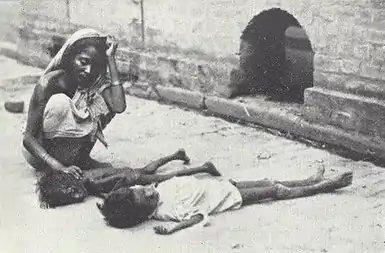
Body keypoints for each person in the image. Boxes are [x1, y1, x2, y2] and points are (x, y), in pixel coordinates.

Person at [97, 167, 353, 234]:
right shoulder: (167, 211)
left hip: (222, 186)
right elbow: (196, 217)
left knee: (269, 181)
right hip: (231, 196)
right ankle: (327, 185)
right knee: (276, 190)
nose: (149, 190)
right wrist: (173, 229)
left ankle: (309, 180)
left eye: (144, 189)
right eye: (146, 196)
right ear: (145, 211)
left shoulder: (155, 192)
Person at [22, 28, 126, 179]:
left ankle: (81, 159)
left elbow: (118, 106)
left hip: (68, 153)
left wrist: (111, 58)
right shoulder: (48, 84)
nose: (89, 70)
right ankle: (63, 164)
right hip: (40, 154)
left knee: (102, 102)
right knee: (61, 103)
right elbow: (28, 138)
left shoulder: (93, 81)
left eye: (95, 66)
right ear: (71, 57)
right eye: (83, 62)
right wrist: (57, 166)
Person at [37, 148, 221, 208]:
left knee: (166, 177)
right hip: (127, 172)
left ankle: (203, 167)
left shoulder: (91, 184)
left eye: (73, 196)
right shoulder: (81, 174)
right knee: (150, 167)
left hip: (130, 178)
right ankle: (176, 155)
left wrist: (110, 196)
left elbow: (113, 182)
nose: (78, 198)